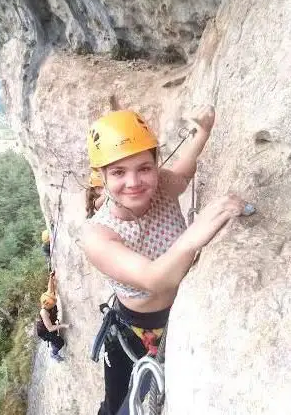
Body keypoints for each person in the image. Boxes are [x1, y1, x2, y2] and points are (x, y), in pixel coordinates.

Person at [82, 107, 251, 414]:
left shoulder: (160, 188)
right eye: (118, 172)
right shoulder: (98, 235)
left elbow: (184, 173)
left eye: (144, 168)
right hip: (134, 331)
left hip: (180, 311)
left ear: (156, 165)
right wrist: (199, 229)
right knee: (118, 407)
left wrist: (203, 132)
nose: (134, 182)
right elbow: (154, 278)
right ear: (101, 177)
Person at [36, 271, 70, 362]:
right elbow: (50, 328)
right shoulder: (44, 312)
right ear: (48, 305)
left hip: (48, 325)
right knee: (59, 342)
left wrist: (51, 277)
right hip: (45, 331)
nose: (54, 304)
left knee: (55, 336)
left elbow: (50, 289)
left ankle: (53, 342)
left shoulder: (47, 298)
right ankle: (54, 354)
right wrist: (63, 325)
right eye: (53, 304)